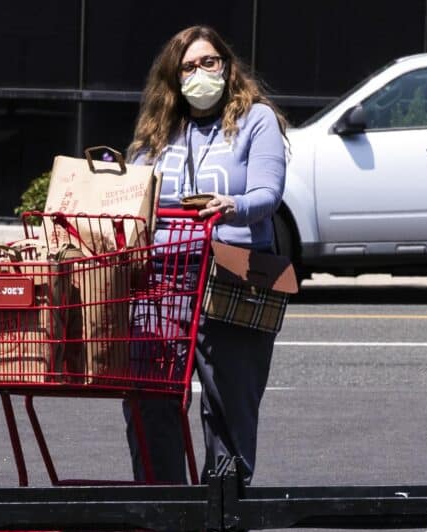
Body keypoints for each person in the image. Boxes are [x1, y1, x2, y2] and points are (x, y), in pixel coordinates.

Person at [124, 25, 287, 489]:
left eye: (208, 62)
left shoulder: (257, 120)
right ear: (173, 80)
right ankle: (166, 517)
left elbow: (267, 192)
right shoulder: (159, 132)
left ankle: (223, 524)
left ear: (227, 66)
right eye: (188, 67)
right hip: (163, 281)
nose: (199, 74)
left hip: (233, 277)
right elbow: (130, 192)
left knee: (228, 409)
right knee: (149, 399)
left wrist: (232, 204)